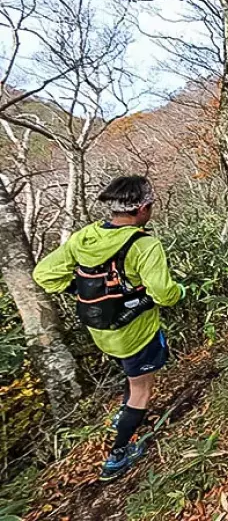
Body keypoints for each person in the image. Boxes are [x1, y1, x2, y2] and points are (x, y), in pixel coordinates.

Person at [33, 176, 186, 481]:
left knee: (129, 376)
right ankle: (118, 454)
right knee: (141, 390)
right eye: (150, 205)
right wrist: (180, 290)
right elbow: (164, 294)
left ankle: (124, 414)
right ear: (142, 209)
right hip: (135, 334)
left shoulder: (84, 237)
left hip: (101, 332)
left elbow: (43, 274)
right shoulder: (144, 245)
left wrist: (80, 289)